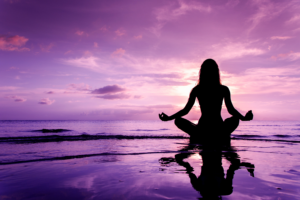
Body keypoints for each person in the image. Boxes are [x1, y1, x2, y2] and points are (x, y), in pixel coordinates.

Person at [159, 59, 253, 144]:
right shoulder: (222, 89)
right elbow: (231, 110)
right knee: (235, 119)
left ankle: (198, 135)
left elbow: (186, 110)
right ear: (216, 72)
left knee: (178, 120)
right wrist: (243, 118)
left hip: (202, 128)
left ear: (202, 72)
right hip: (218, 128)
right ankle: (220, 135)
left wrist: (169, 118)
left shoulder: (197, 89)